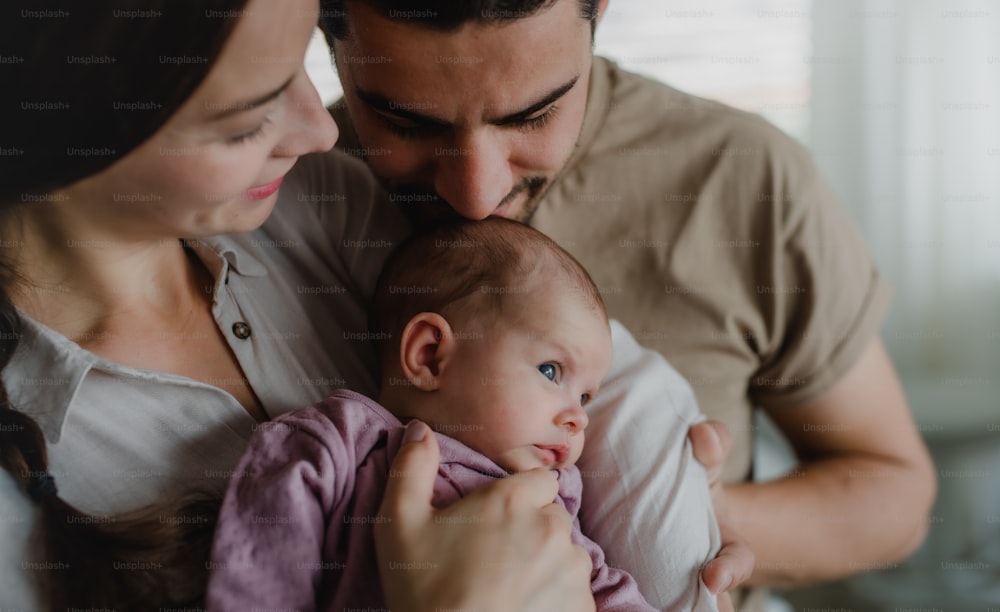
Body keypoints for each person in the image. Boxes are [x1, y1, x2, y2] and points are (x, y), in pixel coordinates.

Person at [0, 1, 621, 610]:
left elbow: (575, 346)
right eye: (246, 118)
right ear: (70, 115)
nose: (322, 130)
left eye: (301, 65)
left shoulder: (320, 201)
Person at [320, 0, 939, 608]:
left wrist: (697, 516)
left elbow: (895, 492)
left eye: (534, 115)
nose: (478, 194)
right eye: (407, 124)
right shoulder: (275, 195)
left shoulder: (743, 178)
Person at [207, 217, 721, 611]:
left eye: (587, 397)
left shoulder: (550, 495)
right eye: (549, 371)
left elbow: (604, 585)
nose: (577, 418)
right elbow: (259, 568)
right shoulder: (338, 443)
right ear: (431, 355)